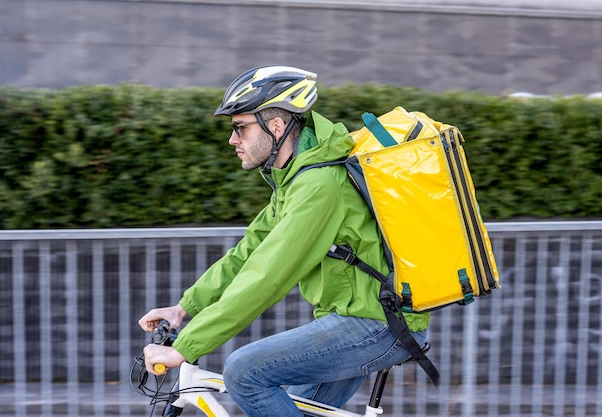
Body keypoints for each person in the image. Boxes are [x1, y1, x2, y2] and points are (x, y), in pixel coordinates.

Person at [138, 65, 430, 417]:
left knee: (245, 372)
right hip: (353, 321)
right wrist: (185, 308)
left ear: (275, 127)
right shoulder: (296, 179)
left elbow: (268, 275)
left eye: (240, 127)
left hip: (375, 327)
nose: (233, 139)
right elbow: (247, 253)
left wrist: (186, 346)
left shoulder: (320, 185)